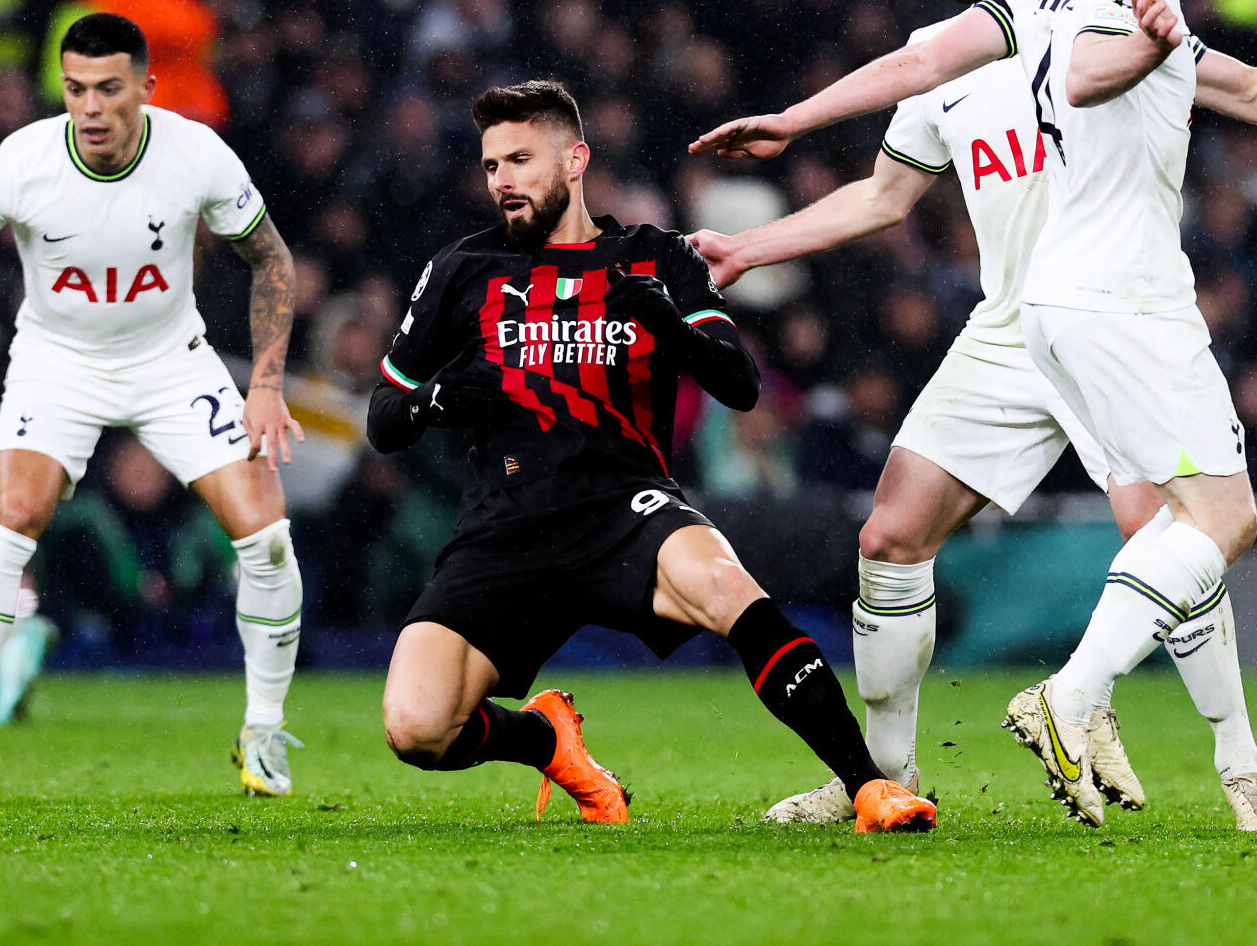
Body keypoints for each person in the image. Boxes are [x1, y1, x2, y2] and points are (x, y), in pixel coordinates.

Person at [688, 0, 1257, 831]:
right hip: (1023, 324)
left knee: (1169, 527)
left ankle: (1235, 763)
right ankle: (880, 774)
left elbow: (1256, 91)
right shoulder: (983, 48)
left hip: (1098, 316)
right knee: (890, 531)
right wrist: (755, 246)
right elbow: (880, 195)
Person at [369, 79, 935, 833]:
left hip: (625, 509)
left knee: (732, 591)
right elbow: (384, 418)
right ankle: (547, 741)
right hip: (505, 527)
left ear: (575, 160)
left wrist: (669, 325)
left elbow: (739, 385)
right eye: (490, 165)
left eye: (519, 159)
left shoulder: (653, 257)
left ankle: (869, 787)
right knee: (416, 728)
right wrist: (436, 401)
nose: (501, 180)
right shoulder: (460, 269)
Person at [0, 13, 306, 798]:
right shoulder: (23, 163)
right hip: (59, 361)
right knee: (13, 517)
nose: (90, 107)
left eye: (109, 89)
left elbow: (271, 257)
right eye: (76, 89)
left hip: (171, 360)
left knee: (267, 534)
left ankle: (263, 731)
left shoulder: (194, 152)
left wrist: (267, 384)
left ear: (145, 89)